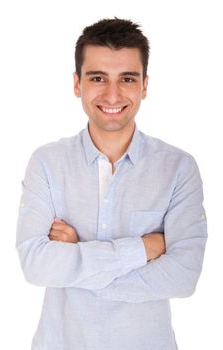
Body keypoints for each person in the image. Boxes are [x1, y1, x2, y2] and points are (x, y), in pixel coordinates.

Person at [16, 18, 207, 350]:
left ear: (144, 85)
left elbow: (184, 276)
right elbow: (35, 265)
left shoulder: (179, 168)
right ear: (77, 84)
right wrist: (143, 249)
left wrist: (76, 260)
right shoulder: (46, 163)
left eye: (127, 78)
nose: (113, 94)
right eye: (98, 78)